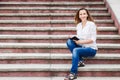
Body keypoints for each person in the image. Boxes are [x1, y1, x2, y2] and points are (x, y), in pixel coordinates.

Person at [64, 8, 98, 80]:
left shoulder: (91, 24)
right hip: (83, 46)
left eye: (84, 14)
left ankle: (73, 73)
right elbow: (80, 37)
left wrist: (80, 42)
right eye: (81, 14)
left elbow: (92, 39)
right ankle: (80, 61)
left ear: (87, 15)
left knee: (76, 50)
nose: (82, 15)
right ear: (79, 16)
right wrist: (73, 37)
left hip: (91, 49)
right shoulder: (79, 25)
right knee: (69, 42)